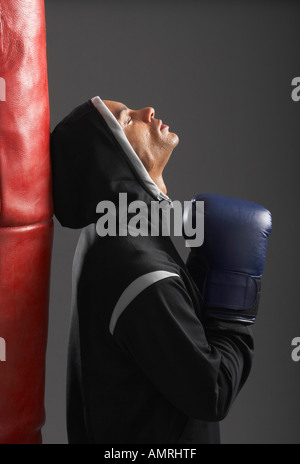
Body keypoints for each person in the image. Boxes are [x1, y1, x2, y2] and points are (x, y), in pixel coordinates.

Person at [50, 96, 271, 444]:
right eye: (127, 119)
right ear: (109, 158)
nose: (147, 111)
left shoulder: (107, 233)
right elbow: (213, 390)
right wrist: (234, 312)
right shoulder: (137, 265)